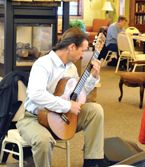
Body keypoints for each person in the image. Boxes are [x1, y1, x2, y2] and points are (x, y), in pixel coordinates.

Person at [16, 27, 105, 167]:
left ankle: (93, 163)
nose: (83, 55)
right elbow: (36, 94)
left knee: (95, 110)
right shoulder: (43, 64)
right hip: (34, 118)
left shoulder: (71, 68)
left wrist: (93, 77)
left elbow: (77, 95)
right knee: (44, 141)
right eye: (82, 50)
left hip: (62, 118)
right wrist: (68, 105)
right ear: (71, 47)